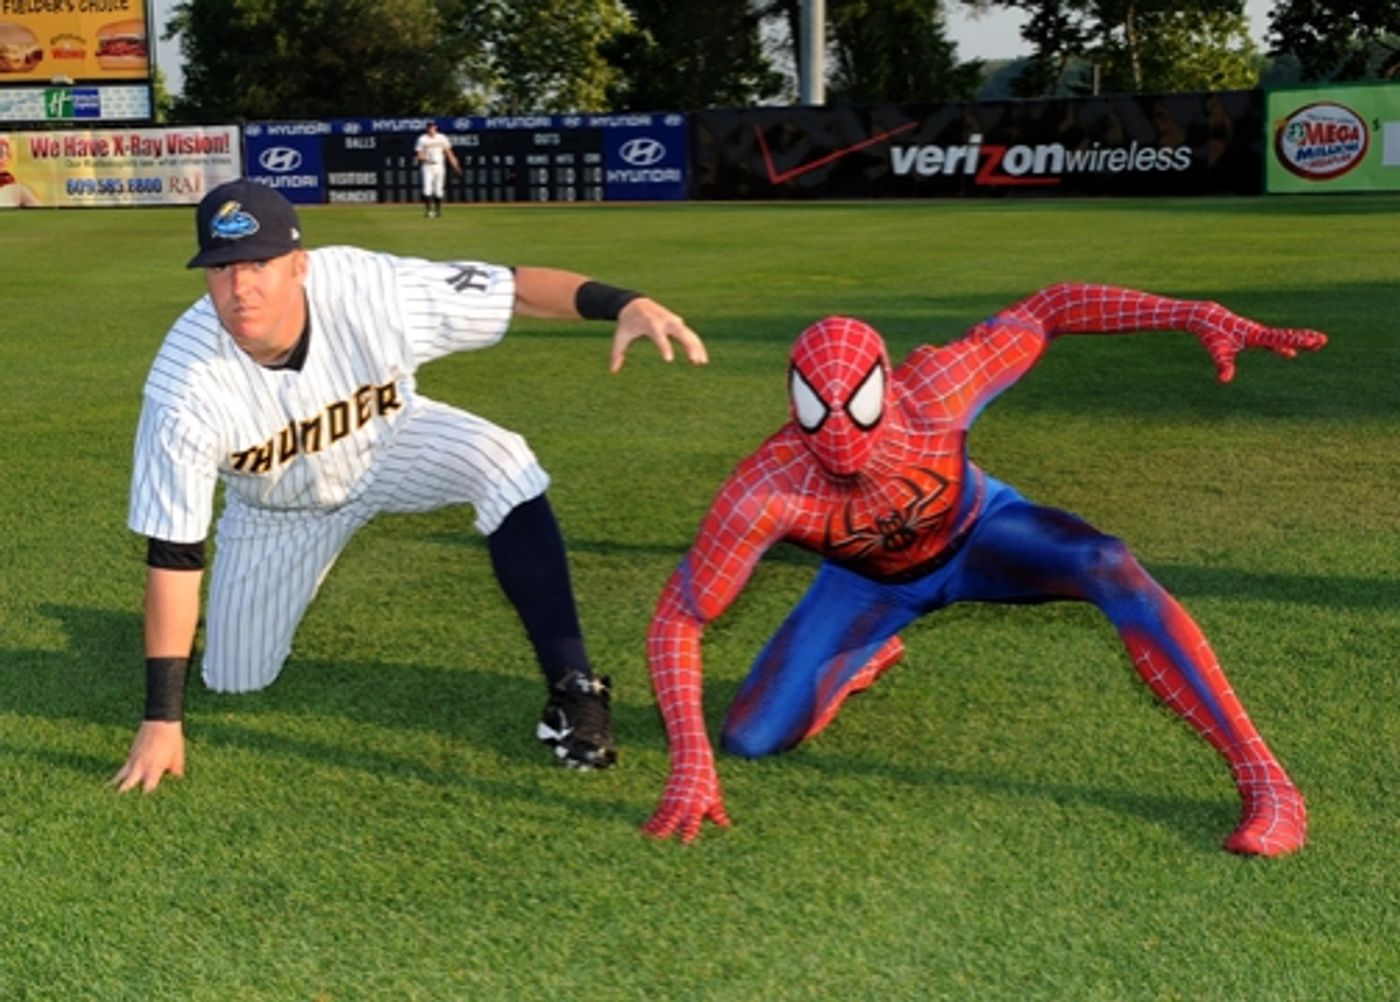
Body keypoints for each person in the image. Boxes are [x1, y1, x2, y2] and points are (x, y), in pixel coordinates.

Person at [642, 283, 1326, 855]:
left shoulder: (939, 387)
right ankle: (865, 655)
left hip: (983, 538)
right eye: (819, 415)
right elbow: (682, 613)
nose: (842, 438)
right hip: (868, 586)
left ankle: (1266, 780)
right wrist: (691, 760)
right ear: (793, 403)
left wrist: (1191, 312)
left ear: (884, 384)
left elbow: (1048, 310)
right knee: (751, 738)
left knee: (1106, 561)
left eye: (859, 409)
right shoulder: (765, 487)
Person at [112, 178, 707, 794]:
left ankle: (573, 686)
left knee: (503, 460)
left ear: (300, 265)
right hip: (278, 511)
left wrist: (623, 302)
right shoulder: (183, 386)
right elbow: (175, 554)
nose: (240, 287)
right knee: (237, 678)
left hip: (393, 443)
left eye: (260, 263)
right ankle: (220, 628)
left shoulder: (371, 289)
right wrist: (162, 717)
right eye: (221, 267)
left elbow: (513, 288)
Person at [414, 121, 460, 218]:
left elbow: (449, 153)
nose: (431, 129)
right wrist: (426, 159)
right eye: (429, 127)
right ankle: (428, 211)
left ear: (436, 128)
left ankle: (438, 211)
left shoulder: (442, 138)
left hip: (439, 166)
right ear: (427, 128)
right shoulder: (422, 139)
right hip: (427, 166)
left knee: (438, 190)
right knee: (427, 189)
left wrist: (455, 166)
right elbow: (418, 156)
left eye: (432, 127)